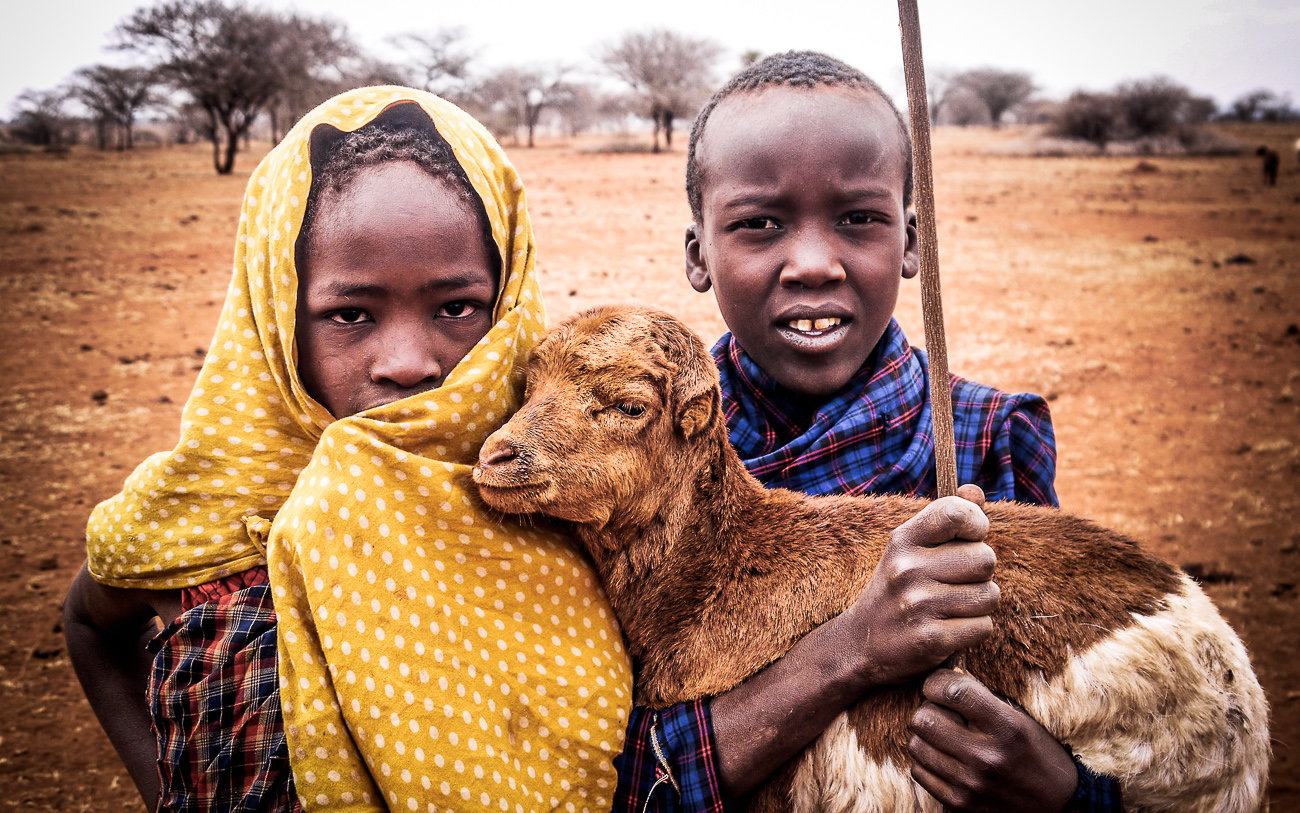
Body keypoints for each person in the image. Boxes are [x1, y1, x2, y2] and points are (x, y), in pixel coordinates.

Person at [657, 52, 1125, 812]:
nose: (813, 264)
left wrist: (1063, 791)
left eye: (858, 219)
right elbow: (622, 772)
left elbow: (1075, 702)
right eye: (759, 224)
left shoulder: (988, 440)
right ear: (698, 253)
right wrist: (851, 650)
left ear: (911, 244)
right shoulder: (648, 465)